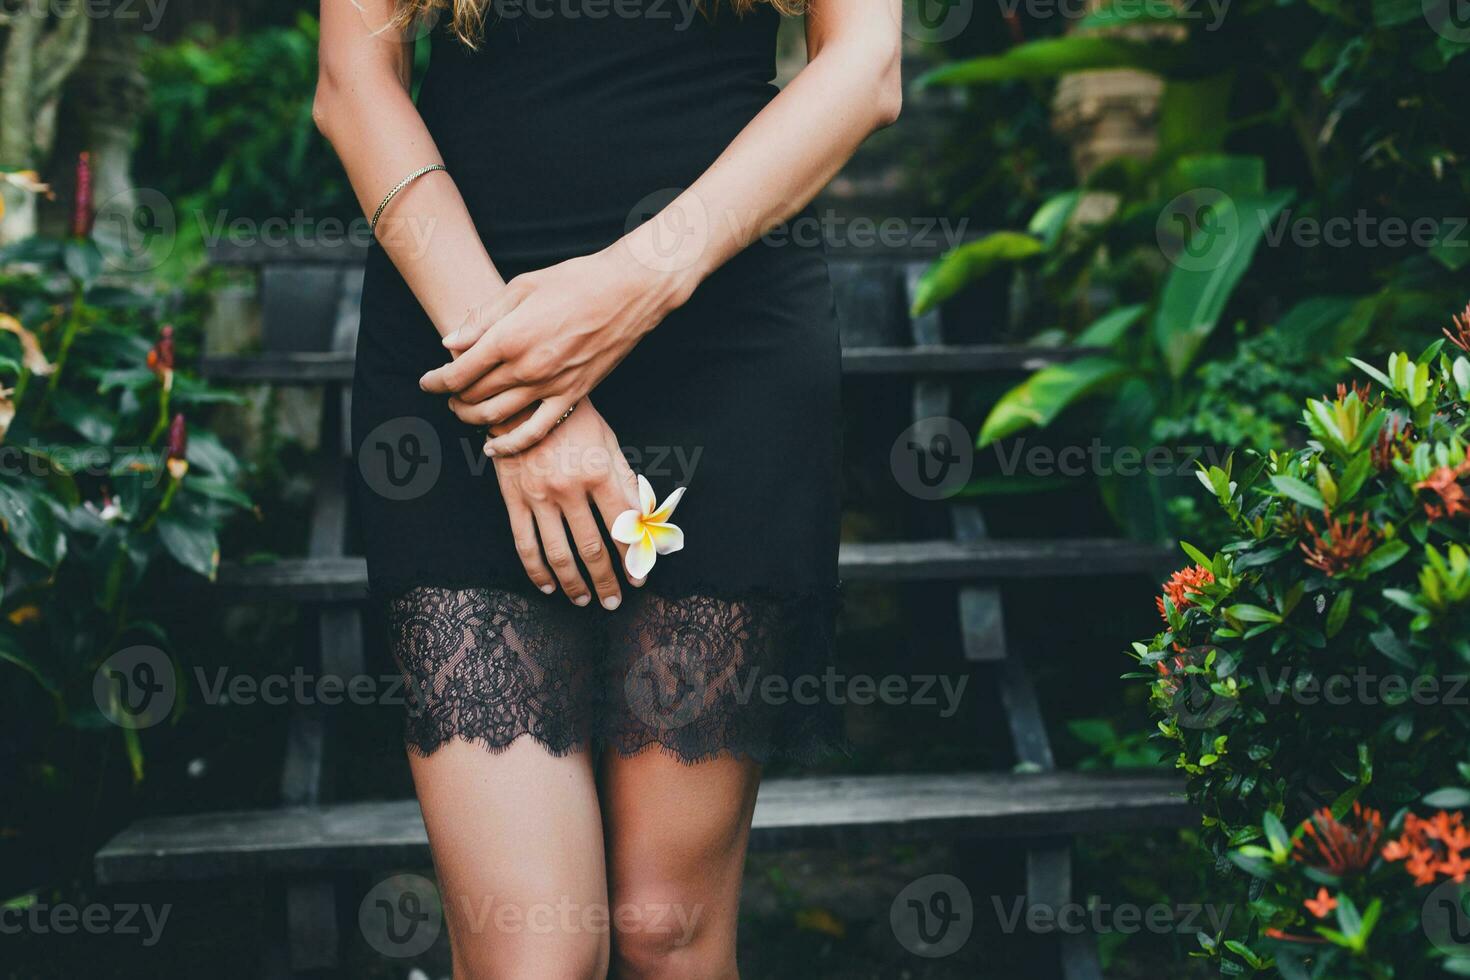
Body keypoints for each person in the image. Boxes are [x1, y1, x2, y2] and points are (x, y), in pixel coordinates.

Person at [314, 0, 901, 974]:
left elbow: (866, 62)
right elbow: (352, 80)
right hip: (459, 324)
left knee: (665, 924)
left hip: (724, 336)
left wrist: (628, 289)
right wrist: (517, 385)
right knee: (527, 948)